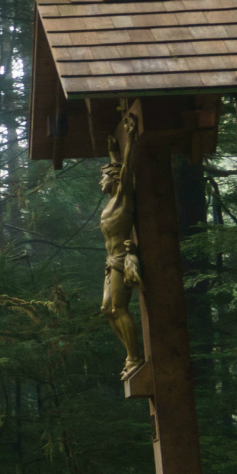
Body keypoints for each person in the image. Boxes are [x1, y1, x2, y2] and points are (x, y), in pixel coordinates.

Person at [99, 112, 145, 380]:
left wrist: (130, 137)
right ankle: (130, 354)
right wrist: (112, 153)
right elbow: (117, 169)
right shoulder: (110, 203)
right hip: (110, 262)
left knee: (118, 308)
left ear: (114, 179)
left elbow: (125, 171)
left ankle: (135, 357)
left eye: (103, 177)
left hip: (120, 259)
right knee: (106, 310)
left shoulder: (124, 200)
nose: (99, 181)